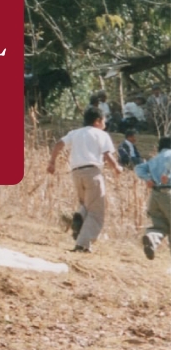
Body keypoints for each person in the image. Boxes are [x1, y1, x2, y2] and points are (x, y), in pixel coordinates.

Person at [47, 107, 120, 253]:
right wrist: (117, 168)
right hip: (92, 172)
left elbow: (58, 144)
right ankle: (82, 244)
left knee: (86, 204)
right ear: (98, 121)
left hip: (76, 173)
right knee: (96, 211)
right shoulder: (101, 134)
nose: (104, 123)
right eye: (104, 120)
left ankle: (80, 215)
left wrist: (52, 162)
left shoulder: (75, 133)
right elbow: (107, 155)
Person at [133, 136, 171, 260]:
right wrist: (167, 174)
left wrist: (148, 179)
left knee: (159, 225)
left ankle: (151, 238)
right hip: (168, 192)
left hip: (155, 195)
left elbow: (138, 168)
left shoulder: (155, 159)